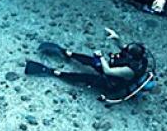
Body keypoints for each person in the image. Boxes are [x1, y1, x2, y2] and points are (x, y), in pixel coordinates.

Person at [24, 29, 156, 104]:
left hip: (111, 82)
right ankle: (69, 54)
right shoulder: (139, 58)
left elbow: (108, 71)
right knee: (92, 61)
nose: (124, 51)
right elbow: (124, 48)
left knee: (87, 77)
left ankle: (57, 73)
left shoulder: (129, 70)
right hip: (114, 72)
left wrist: (101, 57)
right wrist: (116, 38)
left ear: (132, 57)